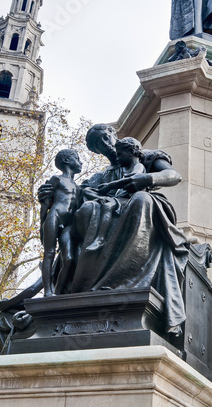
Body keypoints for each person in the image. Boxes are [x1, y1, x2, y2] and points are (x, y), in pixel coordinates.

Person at [68, 124, 190, 335]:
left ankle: (123, 281)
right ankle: (88, 288)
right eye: (99, 144)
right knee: (86, 210)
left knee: (141, 200)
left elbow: (174, 175)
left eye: (106, 137)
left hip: (146, 203)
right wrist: (56, 189)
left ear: (113, 134)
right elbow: (81, 193)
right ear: (97, 151)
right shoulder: (103, 175)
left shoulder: (146, 157)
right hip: (112, 208)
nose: (106, 144)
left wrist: (147, 179)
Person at [38, 148, 82, 297]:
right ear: (67, 161)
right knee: (49, 253)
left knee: (68, 258)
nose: (80, 162)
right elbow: (45, 203)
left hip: (68, 224)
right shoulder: (57, 179)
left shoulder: (78, 187)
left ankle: (57, 292)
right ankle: (47, 292)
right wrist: (42, 225)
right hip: (55, 216)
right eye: (77, 158)